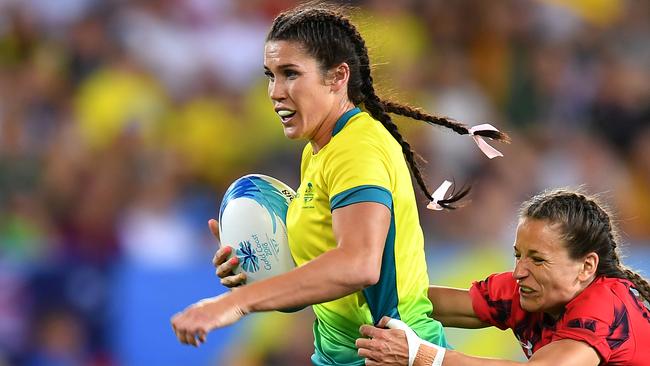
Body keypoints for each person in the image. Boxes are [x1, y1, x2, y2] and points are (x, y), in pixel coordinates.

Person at [170, 3, 508, 365]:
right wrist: (257, 272)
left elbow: (359, 264)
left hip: (387, 355)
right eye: (270, 75)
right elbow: (333, 290)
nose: (275, 91)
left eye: (290, 74)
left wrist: (235, 303)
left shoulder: (356, 148)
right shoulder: (319, 150)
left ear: (337, 77)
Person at [356, 189, 650, 365]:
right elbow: (421, 303)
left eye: (537, 259)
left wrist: (420, 356)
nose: (520, 271)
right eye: (518, 255)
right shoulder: (529, 288)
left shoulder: (608, 306)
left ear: (586, 267)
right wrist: (355, 284)